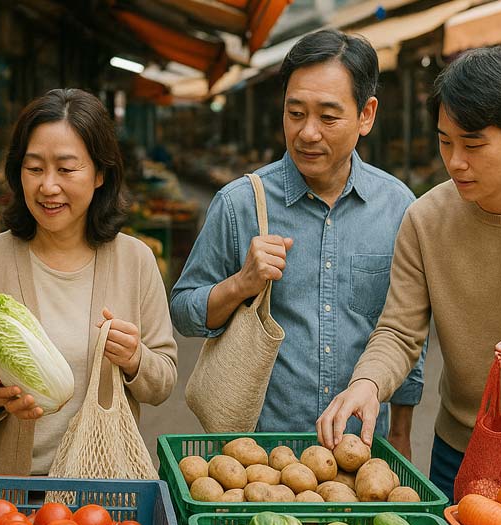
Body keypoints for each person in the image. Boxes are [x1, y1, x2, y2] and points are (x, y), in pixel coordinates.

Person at [316, 46, 501, 501]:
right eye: (445, 141)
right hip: (458, 451)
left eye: (472, 145)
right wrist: (367, 384)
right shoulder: (425, 219)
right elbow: (399, 331)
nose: (455, 162)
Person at [170, 30, 426, 444]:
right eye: (295, 113)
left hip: (360, 452)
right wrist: (241, 285)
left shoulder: (399, 208)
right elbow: (183, 311)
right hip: (256, 459)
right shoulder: (239, 204)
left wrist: (400, 435)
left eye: (328, 117)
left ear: (366, 115)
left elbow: (407, 332)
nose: (308, 133)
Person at [0, 88, 177, 476]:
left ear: (101, 174)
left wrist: (136, 359)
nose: (48, 186)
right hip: (4, 495)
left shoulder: (135, 260)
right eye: (34, 168)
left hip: (101, 493)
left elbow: (164, 378)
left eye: (66, 170)